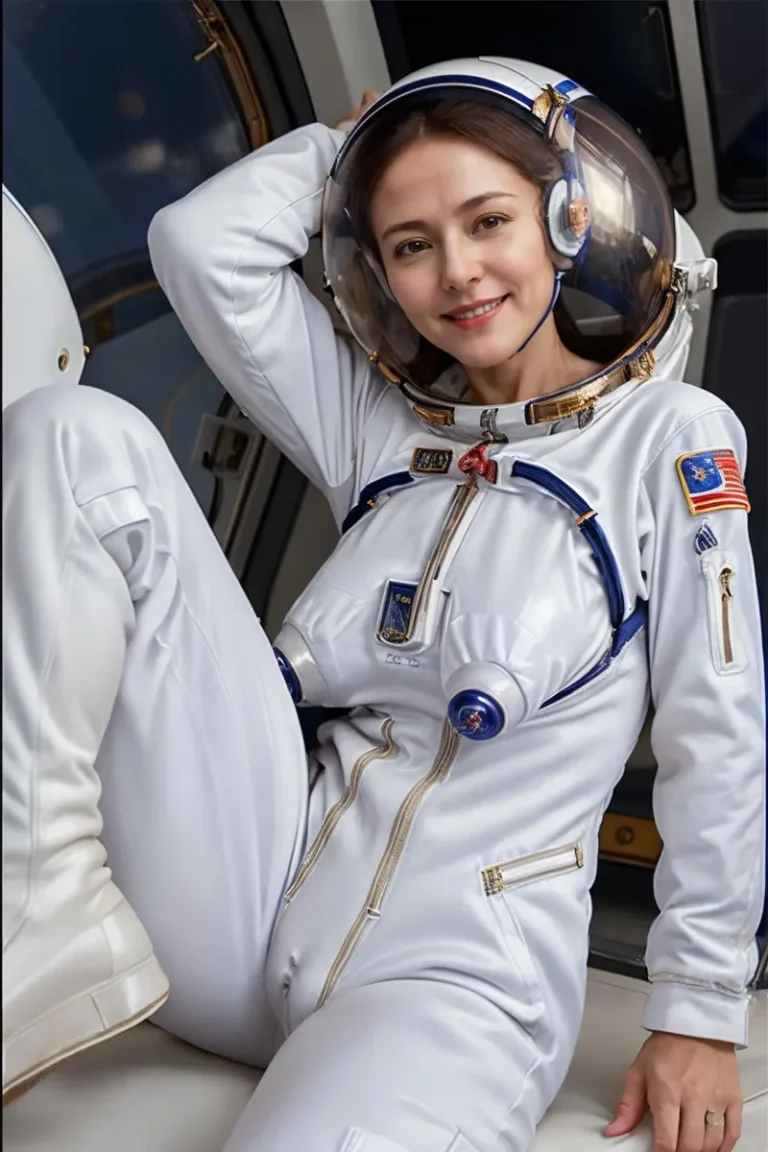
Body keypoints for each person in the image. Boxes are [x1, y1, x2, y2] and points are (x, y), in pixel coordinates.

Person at [2, 57, 764, 1152]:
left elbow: (717, 731)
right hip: (245, 908)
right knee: (69, 435)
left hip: (456, 977)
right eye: (410, 244)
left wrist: (699, 1008)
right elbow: (197, 247)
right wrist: (346, 145)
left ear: (568, 218)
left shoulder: (670, 437)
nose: (457, 271)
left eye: (487, 219)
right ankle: (38, 916)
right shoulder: (379, 433)